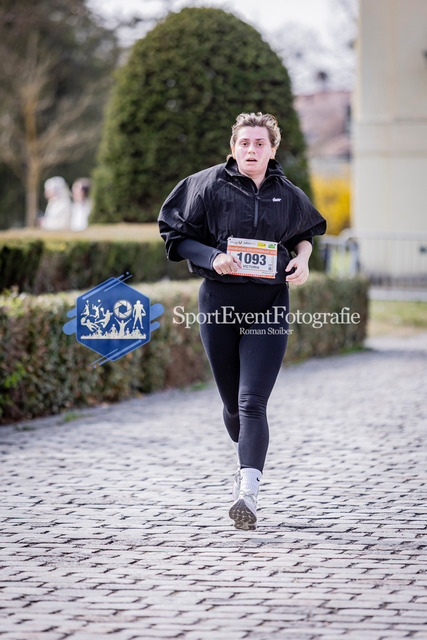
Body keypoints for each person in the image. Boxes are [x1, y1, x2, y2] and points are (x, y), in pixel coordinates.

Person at [158, 112, 327, 530]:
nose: (251, 150)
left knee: (253, 402)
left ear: (273, 149)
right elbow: (176, 236)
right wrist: (212, 256)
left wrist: (303, 260)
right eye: (244, 143)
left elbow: (303, 234)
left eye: (260, 143)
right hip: (219, 304)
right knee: (234, 407)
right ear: (233, 148)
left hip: (269, 305)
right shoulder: (207, 185)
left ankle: (247, 493)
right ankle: (245, 454)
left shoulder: (287, 193)